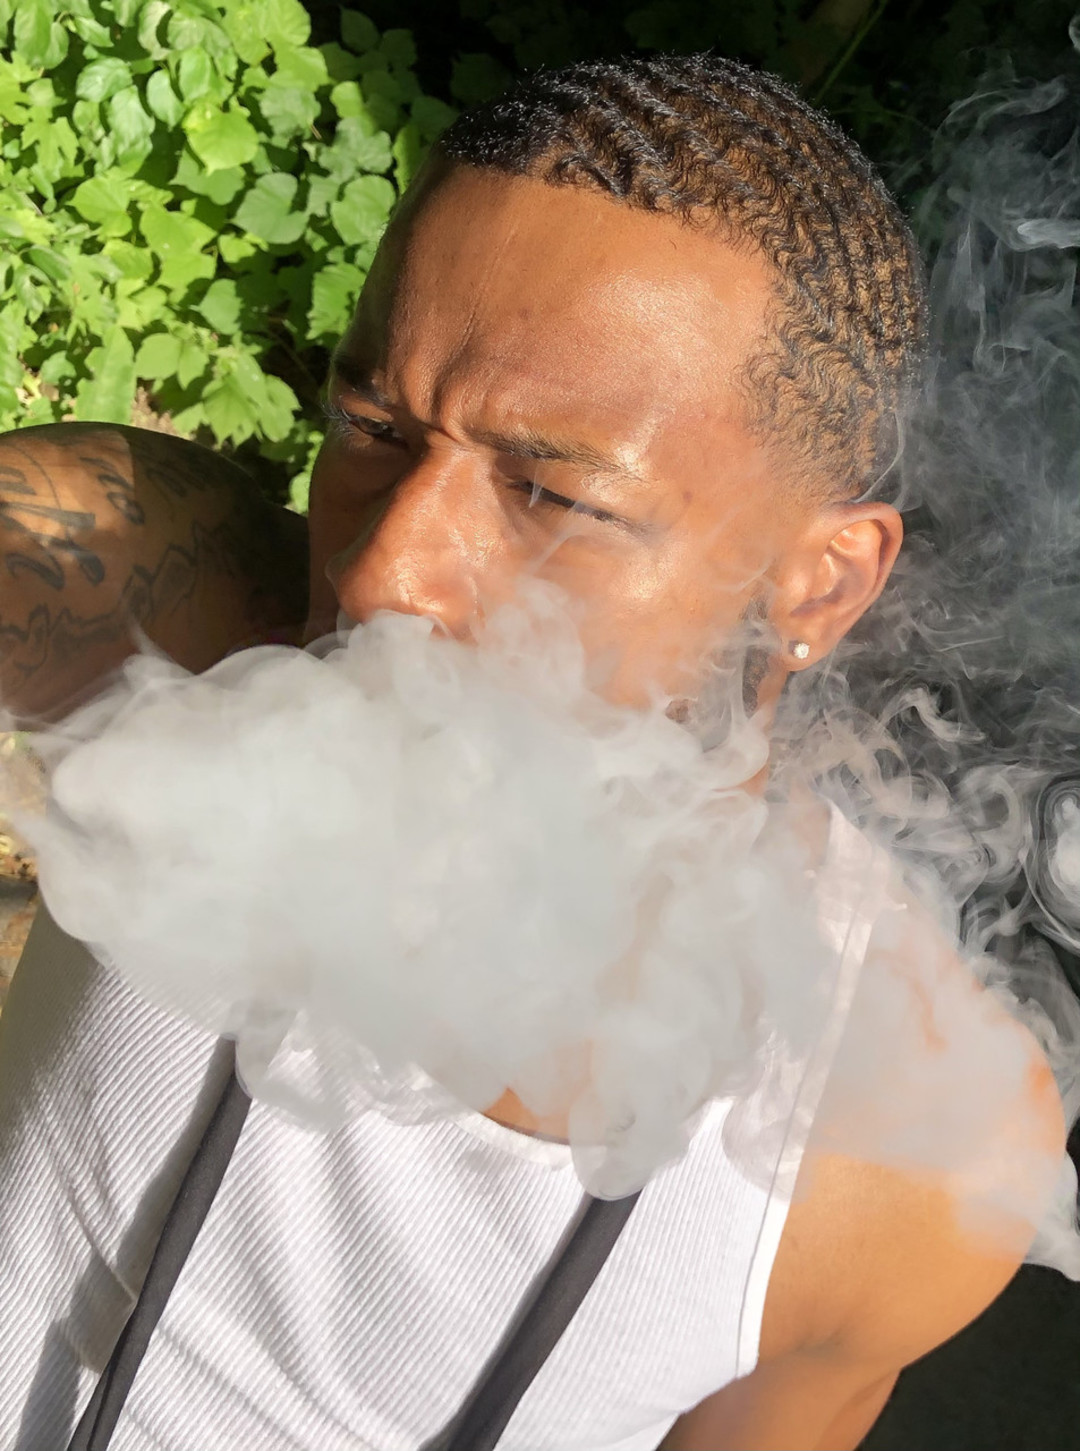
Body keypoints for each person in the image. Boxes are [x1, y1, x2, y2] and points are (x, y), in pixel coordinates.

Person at [0, 54, 1066, 1451]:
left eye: (555, 495)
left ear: (822, 583)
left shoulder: (899, 1152)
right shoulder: (166, 608)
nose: (382, 574)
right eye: (371, 429)